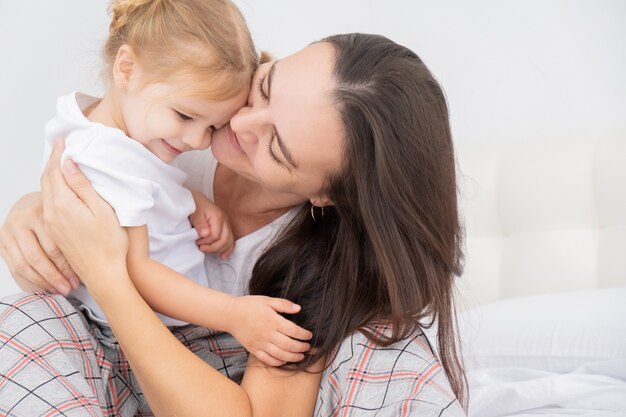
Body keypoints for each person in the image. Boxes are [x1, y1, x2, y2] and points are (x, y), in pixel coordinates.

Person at [0, 30, 467, 417]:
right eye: (265, 86)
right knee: (25, 318)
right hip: (98, 371)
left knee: (389, 346)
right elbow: (88, 164)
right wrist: (33, 214)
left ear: (325, 194)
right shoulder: (181, 115)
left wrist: (109, 279)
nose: (238, 124)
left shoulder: (323, 271)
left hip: (205, 392)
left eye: (275, 146)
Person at [41, 0, 313, 365]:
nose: (199, 141)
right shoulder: (106, 158)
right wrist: (234, 313)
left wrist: (193, 201)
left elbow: (143, 190)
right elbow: (138, 272)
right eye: (186, 115)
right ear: (127, 69)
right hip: (137, 332)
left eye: (213, 126)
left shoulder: (115, 132)